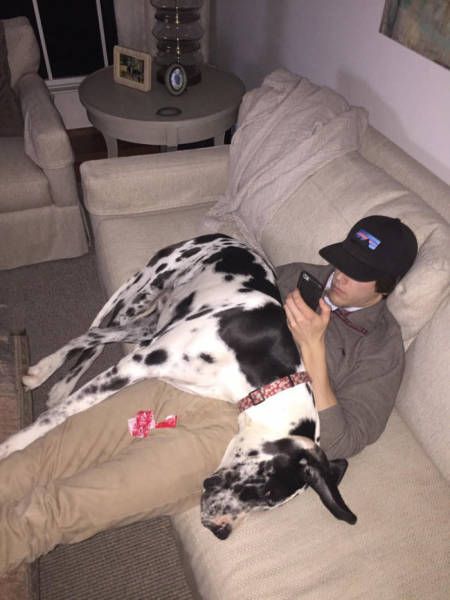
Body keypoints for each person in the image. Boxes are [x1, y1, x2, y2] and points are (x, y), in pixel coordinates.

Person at [0, 215, 417, 575]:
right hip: (188, 380)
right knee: (48, 453)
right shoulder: (297, 276)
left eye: (358, 272)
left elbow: (342, 441)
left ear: (385, 286)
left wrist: (314, 348)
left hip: (230, 438)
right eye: (342, 259)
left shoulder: (382, 347)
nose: (338, 274)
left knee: (65, 506)